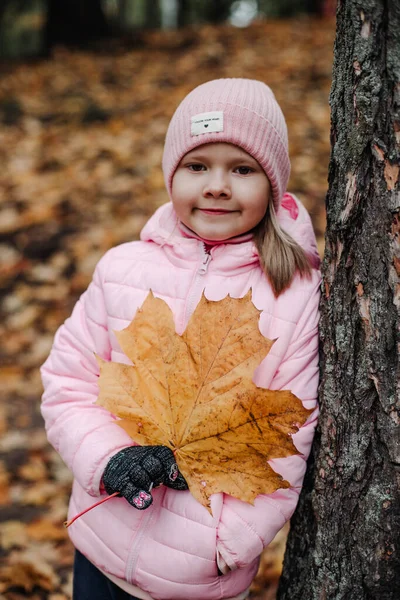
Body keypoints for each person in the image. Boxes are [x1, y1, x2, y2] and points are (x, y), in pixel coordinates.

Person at [40, 78, 321, 600]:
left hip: (200, 578)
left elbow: (291, 429)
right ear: (172, 173)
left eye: (242, 169)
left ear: (274, 184)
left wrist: (226, 545)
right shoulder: (123, 269)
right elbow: (67, 381)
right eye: (197, 166)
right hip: (99, 549)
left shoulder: (295, 295)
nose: (217, 186)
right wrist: (109, 460)